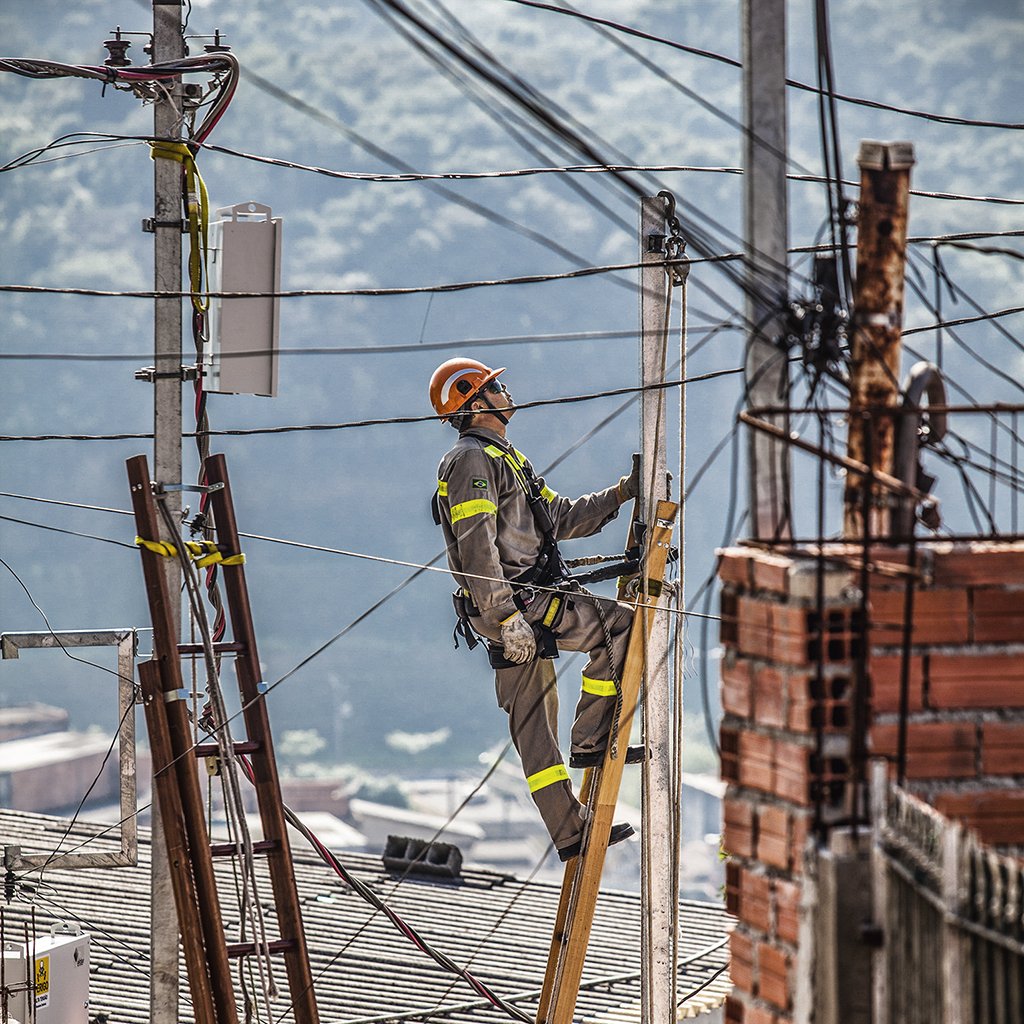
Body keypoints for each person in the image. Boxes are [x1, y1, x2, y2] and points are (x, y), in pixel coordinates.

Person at [429, 357, 643, 862]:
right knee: (620, 625)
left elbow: (560, 518)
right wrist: (505, 616)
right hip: (514, 605)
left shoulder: (507, 460)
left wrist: (622, 494)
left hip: (517, 605)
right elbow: (476, 545)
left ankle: (571, 830)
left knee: (532, 724)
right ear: (475, 403)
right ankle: (592, 738)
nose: (506, 391)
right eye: (495, 386)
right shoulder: (470, 462)